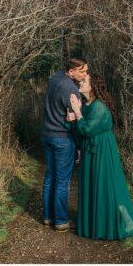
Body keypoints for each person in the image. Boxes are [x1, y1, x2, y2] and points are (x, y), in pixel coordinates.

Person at [67, 73, 133, 240]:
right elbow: (81, 127)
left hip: (102, 152)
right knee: (92, 185)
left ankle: (116, 225)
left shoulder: (99, 107)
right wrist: (73, 117)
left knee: (105, 186)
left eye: (84, 81)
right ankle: (94, 224)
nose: (81, 82)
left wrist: (77, 113)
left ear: (92, 87)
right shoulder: (88, 104)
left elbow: (87, 129)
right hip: (90, 151)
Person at [40, 57, 88, 231]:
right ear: (71, 71)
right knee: (62, 180)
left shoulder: (54, 78)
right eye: (81, 71)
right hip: (62, 137)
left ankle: (47, 216)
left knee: (50, 177)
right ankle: (60, 220)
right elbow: (76, 117)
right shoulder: (70, 88)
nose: (85, 75)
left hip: (47, 135)